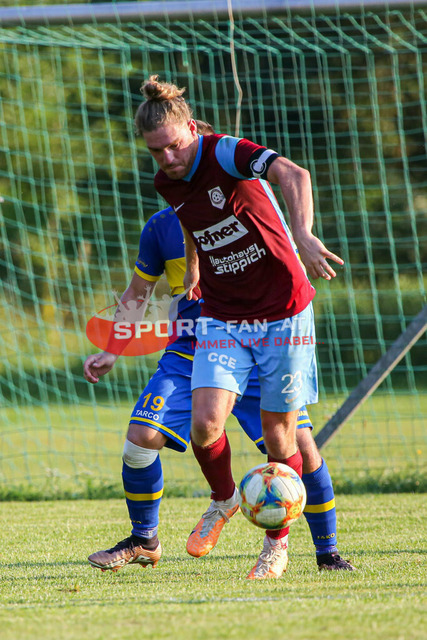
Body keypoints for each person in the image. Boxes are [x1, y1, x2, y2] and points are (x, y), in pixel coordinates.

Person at [85, 115, 353, 575]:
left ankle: (324, 551)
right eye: (157, 151)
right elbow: (140, 288)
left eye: (177, 148)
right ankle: (154, 533)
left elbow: (289, 175)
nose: (170, 160)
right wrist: (114, 346)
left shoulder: (232, 170)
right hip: (200, 341)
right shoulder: (162, 218)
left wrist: (302, 233)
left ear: (196, 137)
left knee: (296, 445)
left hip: (270, 324)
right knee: (154, 436)